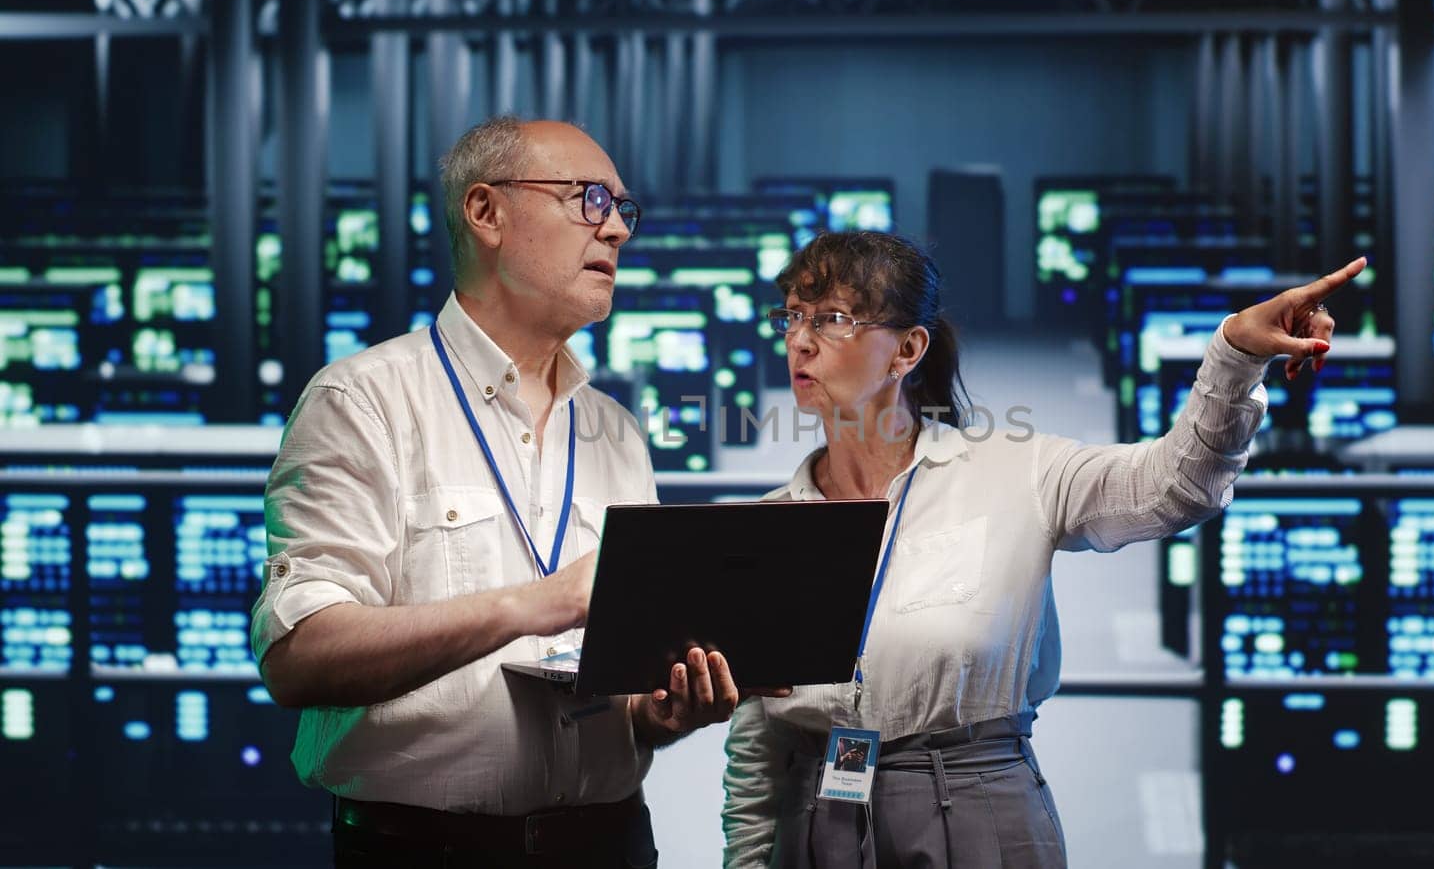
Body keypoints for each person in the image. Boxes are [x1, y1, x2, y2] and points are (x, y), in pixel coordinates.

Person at [721, 231, 1363, 868]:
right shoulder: (771, 526)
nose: (800, 340)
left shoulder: (1015, 472)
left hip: (972, 810)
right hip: (815, 819)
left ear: (908, 350)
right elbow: (757, 751)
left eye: (833, 319)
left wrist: (1233, 357)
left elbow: (1176, 486)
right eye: (793, 316)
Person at [250, 117, 773, 869]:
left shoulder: (614, 430)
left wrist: (660, 712)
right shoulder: (363, 401)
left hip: (609, 843)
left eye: (624, 208)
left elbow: (622, 688)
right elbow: (299, 658)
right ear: (486, 212)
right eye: (590, 199)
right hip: (426, 851)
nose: (618, 229)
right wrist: (536, 603)